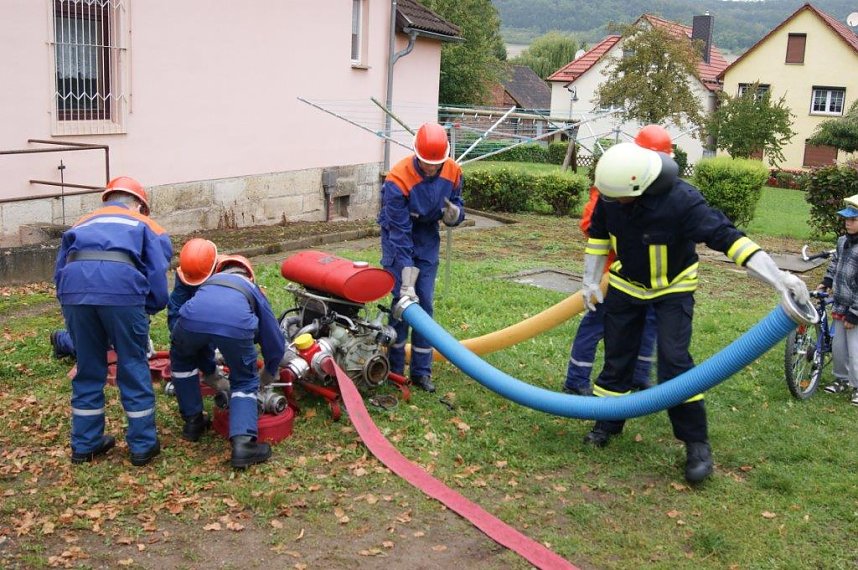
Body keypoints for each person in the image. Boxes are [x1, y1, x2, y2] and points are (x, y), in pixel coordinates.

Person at [579, 142, 809, 483]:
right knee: (617, 357)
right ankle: (608, 423)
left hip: (674, 288)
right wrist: (590, 281)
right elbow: (598, 238)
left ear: (640, 186)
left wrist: (777, 278)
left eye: (620, 198)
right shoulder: (613, 196)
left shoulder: (682, 201)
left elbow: (729, 238)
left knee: (674, 361)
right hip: (627, 285)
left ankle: (696, 444)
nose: (614, 203)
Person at [55, 176, 172, 466]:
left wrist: (71, 300)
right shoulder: (146, 224)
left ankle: (85, 444)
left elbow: (60, 268)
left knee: (88, 365)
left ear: (107, 199)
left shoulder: (81, 222)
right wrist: (153, 305)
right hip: (121, 290)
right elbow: (158, 269)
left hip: (74, 292)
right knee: (132, 364)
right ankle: (142, 446)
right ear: (139, 204)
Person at [563, 127, 673, 396]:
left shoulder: (664, 191)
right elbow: (591, 224)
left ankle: (640, 375)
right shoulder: (616, 182)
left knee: (649, 322)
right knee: (596, 323)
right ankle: (576, 379)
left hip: (647, 278)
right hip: (611, 275)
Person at [170, 254, 285, 468]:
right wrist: (269, 370)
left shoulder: (208, 283)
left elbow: (203, 332)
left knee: (182, 361)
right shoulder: (252, 289)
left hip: (189, 319)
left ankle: (193, 422)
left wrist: (209, 370)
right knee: (244, 379)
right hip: (235, 324)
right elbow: (274, 338)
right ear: (249, 275)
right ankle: (243, 445)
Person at [378, 122, 465, 393]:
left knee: (424, 304)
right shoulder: (398, 179)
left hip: (428, 236)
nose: (431, 168)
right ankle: (393, 370)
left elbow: (457, 202)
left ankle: (421, 372)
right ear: (416, 155)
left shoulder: (452, 171)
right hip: (399, 237)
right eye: (426, 162)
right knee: (402, 303)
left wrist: (456, 216)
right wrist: (405, 278)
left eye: (435, 163)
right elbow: (400, 234)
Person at [819, 200, 858, 405]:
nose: (847, 223)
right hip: (841, 304)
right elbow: (835, 263)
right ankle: (841, 379)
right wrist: (826, 282)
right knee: (839, 347)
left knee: (855, 350)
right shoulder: (843, 241)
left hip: (855, 309)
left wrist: (855, 313)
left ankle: (857, 386)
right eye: (846, 219)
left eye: (853, 220)